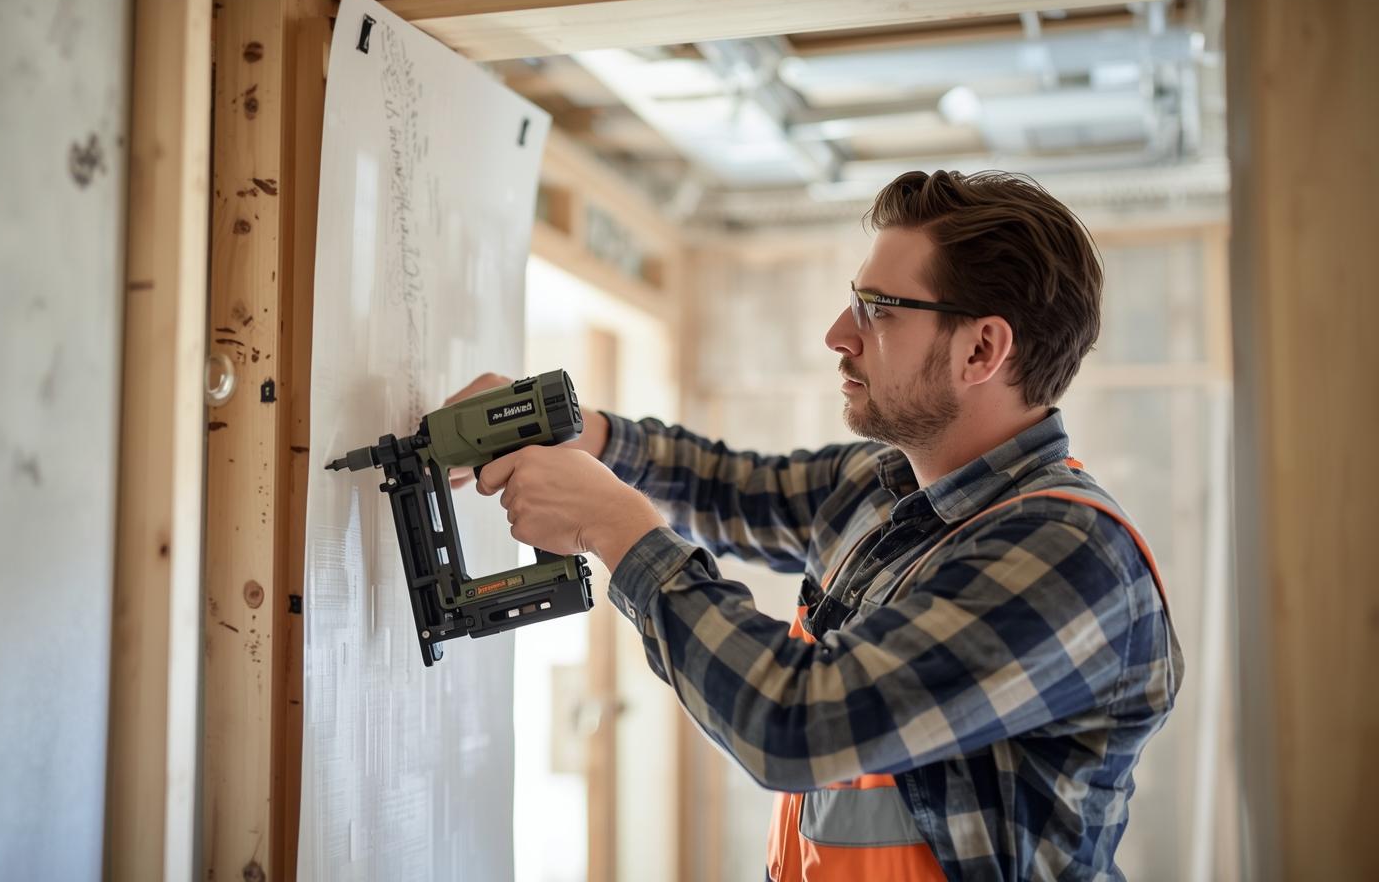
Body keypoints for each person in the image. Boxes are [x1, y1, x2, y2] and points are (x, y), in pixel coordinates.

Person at [448, 170, 1183, 881]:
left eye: (879, 309)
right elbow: (727, 486)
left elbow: (796, 725)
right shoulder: (884, 485)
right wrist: (582, 435)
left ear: (981, 350)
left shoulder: (1070, 558)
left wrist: (614, 526)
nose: (839, 334)